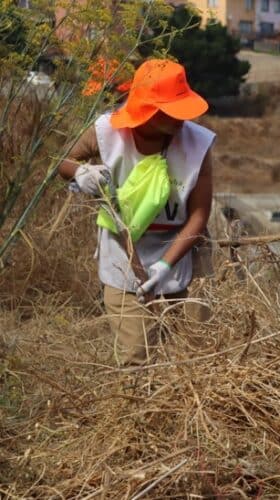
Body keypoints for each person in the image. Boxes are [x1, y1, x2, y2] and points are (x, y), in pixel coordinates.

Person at [59, 59, 216, 366]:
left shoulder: (197, 144)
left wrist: (165, 266)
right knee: (136, 357)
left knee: (196, 354)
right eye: (172, 110)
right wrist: (81, 173)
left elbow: (199, 215)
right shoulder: (106, 132)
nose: (181, 119)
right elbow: (63, 162)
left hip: (184, 251)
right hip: (122, 249)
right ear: (149, 110)